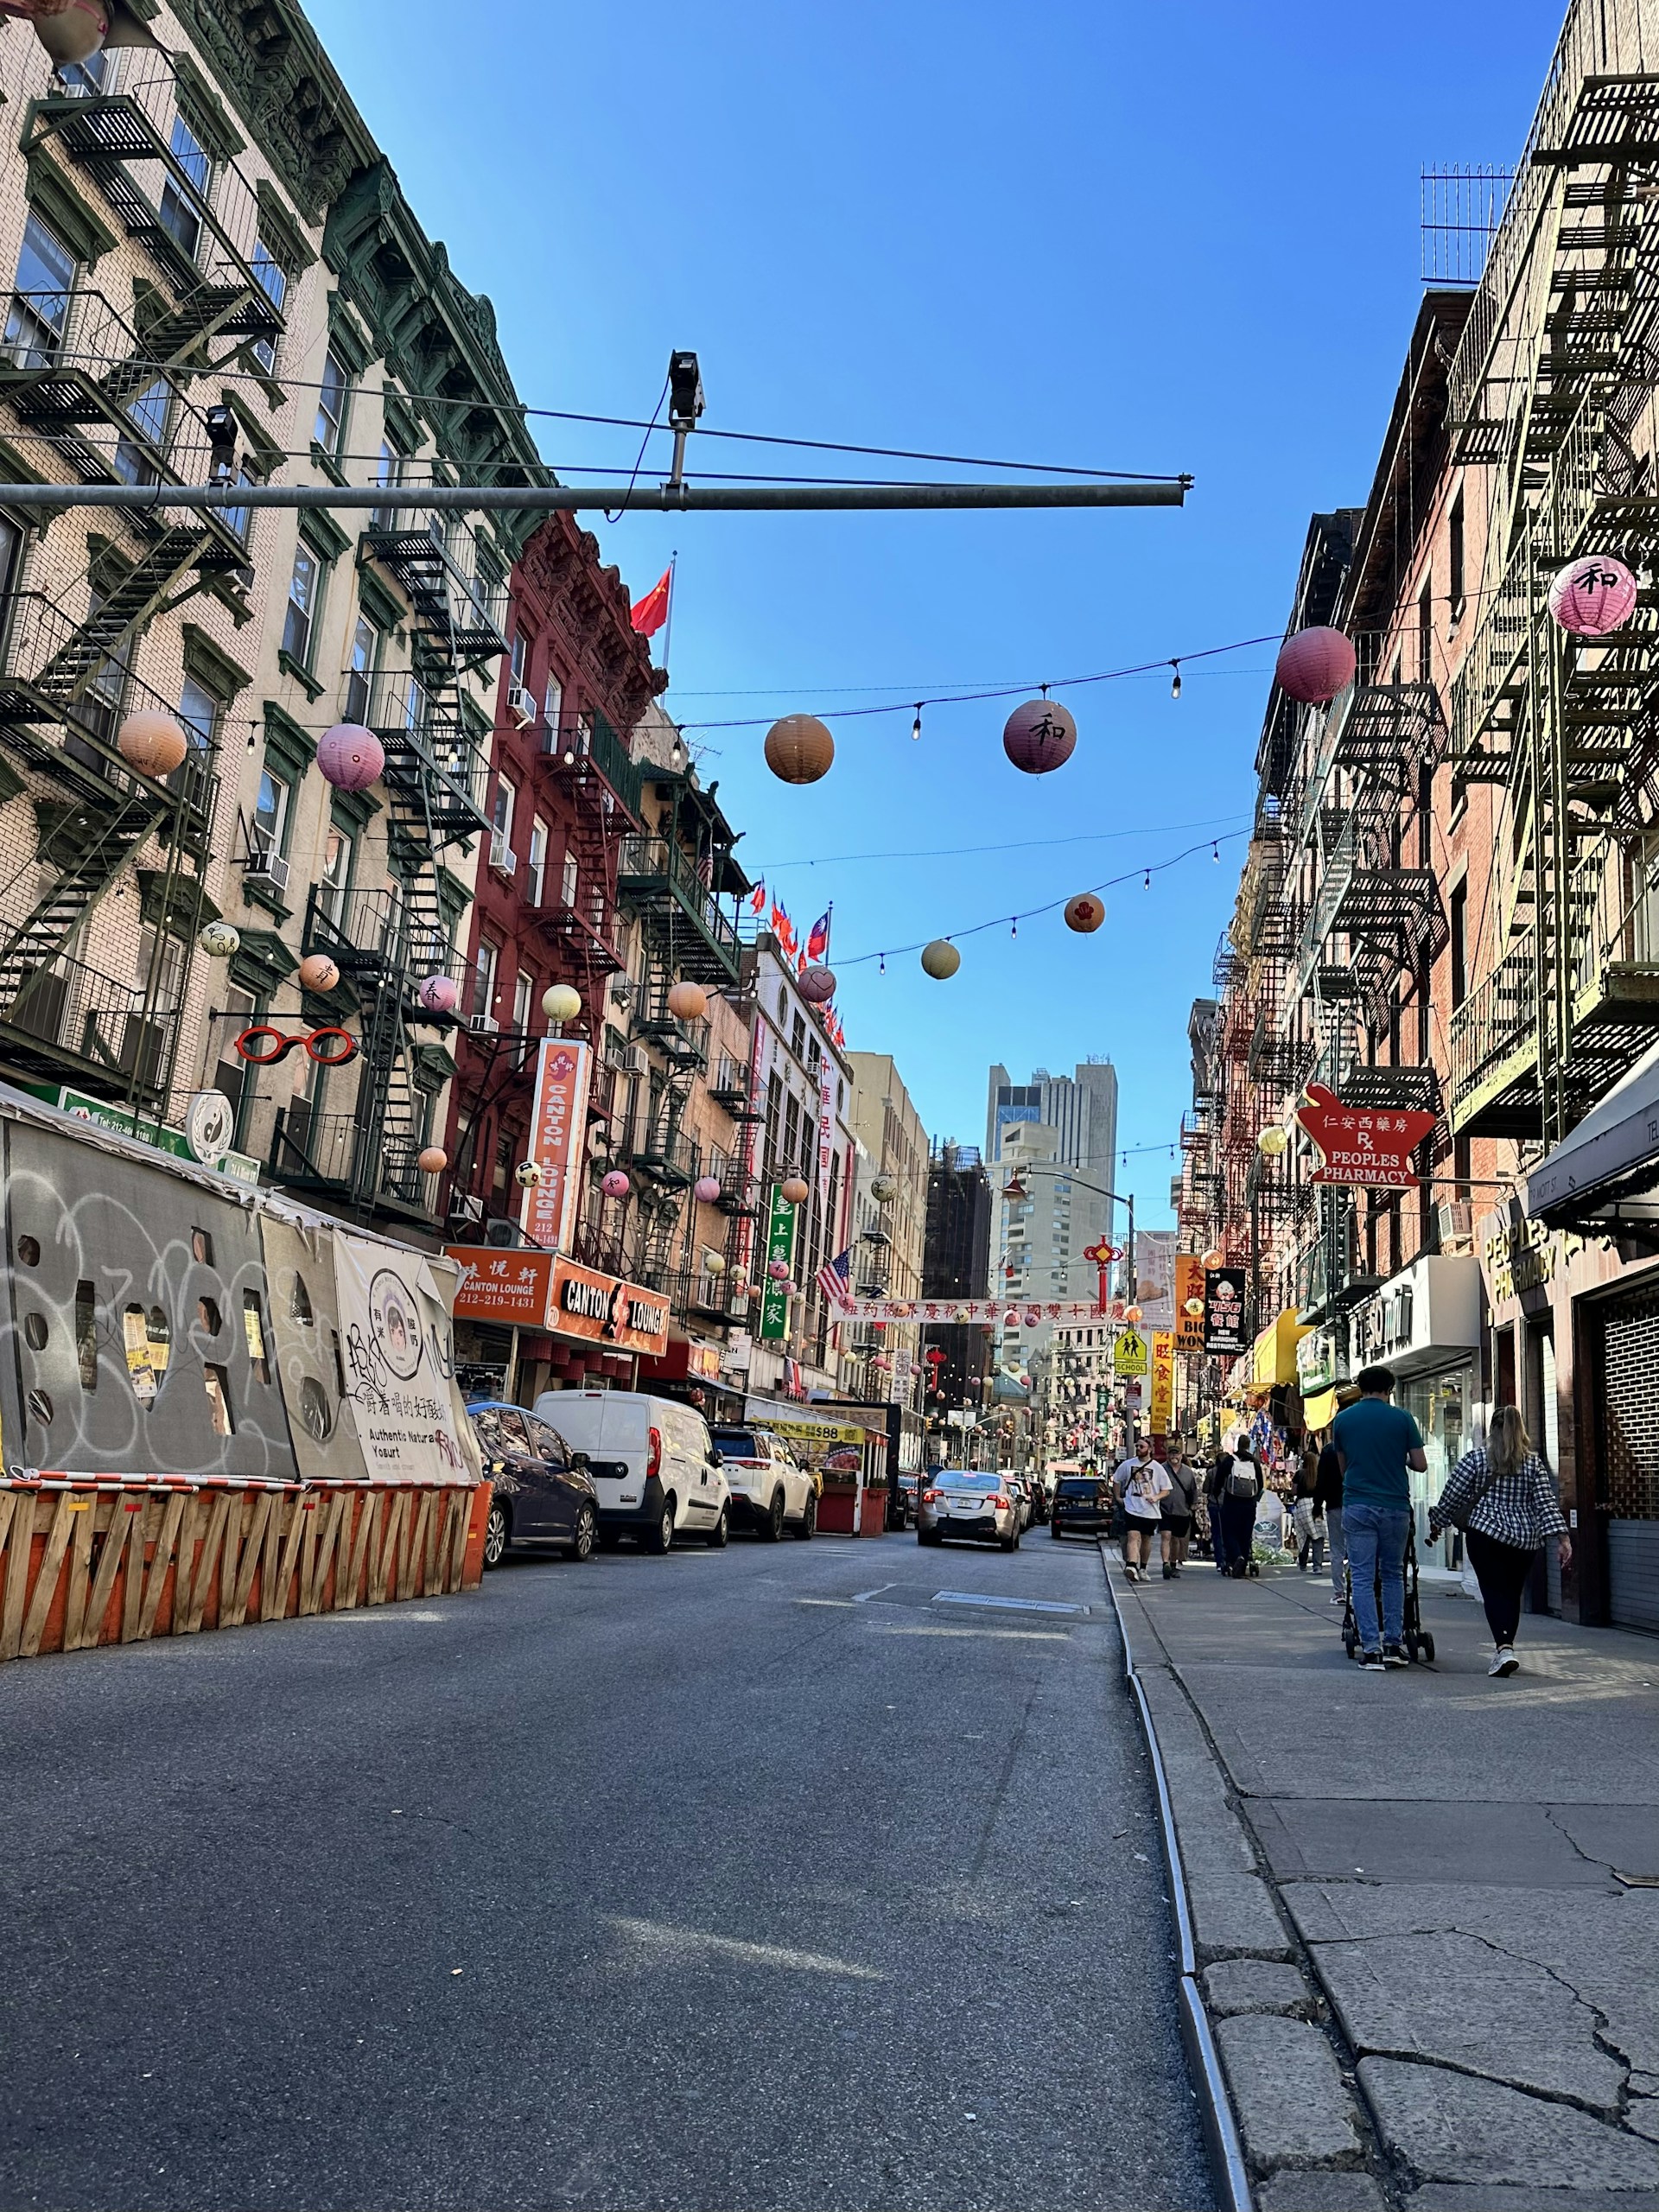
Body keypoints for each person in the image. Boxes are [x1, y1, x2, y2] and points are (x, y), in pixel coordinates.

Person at [1428, 1406, 1570, 1678]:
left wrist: (1438, 1520)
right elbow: (1545, 1503)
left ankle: (1504, 1649)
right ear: (1521, 1431)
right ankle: (1506, 1647)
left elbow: (1452, 1496)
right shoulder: (1532, 1463)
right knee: (1511, 1595)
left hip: (1486, 1536)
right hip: (1524, 1542)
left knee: (1493, 1591)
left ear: (1492, 1430)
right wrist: (1563, 1538)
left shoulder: (1476, 1459)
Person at [1332, 1364, 1427, 1671]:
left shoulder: (1343, 1420)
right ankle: (1393, 1645)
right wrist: (1395, 1458)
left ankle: (1370, 1649)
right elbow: (1421, 1464)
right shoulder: (1402, 1419)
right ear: (1389, 1389)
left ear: (1360, 1388)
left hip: (1357, 1503)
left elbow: (1344, 1469)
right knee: (1393, 1574)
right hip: (1394, 1505)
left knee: (1361, 1576)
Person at [1113, 1437, 1170, 1582]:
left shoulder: (1158, 1468)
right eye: (1137, 1446)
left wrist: (1156, 1497)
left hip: (1150, 1510)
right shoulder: (1128, 1464)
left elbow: (1167, 1489)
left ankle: (1143, 1568)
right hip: (1132, 1507)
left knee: (1146, 1539)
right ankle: (1132, 1565)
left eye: (1142, 1447)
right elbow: (1117, 1480)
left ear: (1149, 1449)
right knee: (1133, 1536)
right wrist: (1119, 1497)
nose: (1138, 1449)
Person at [1215, 1438, 1262, 1578]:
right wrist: (1254, 1497)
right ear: (1248, 1446)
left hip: (1231, 1503)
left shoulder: (1229, 1461)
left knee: (1230, 1533)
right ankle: (1244, 1560)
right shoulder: (1254, 1462)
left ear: (1237, 1445)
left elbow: (1219, 1479)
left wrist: (1216, 1494)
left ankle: (1236, 1557)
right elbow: (1260, 1484)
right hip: (1249, 1505)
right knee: (1245, 1534)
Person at [1313, 1429, 1345, 1606]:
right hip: (1355, 1502)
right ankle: (1356, 1589)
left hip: (1334, 1505)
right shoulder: (1354, 1448)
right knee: (1357, 1550)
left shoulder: (1328, 1451)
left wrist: (1317, 1505)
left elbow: (1321, 1481)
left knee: (1337, 1550)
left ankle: (1339, 1592)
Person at [1160, 1440, 1198, 1579]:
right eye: (1171, 1454)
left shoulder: (1188, 1472)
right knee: (1166, 1536)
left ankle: (1173, 1564)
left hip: (1182, 1510)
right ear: (1167, 1455)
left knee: (1176, 1539)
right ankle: (1166, 1564)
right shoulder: (1161, 1469)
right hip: (1164, 1509)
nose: (1174, 1457)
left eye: (1177, 1454)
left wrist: (1193, 1507)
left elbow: (1193, 1490)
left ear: (1181, 1455)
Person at [1292, 1452, 1325, 1575]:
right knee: (1318, 1536)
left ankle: (1303, 1564)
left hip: (1302, 1506)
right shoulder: (1319, 1475)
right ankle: (1317, 1566)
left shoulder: (1299, 1474)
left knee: (1303, 1536)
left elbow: (1294, 1491)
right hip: (1318, 1506)